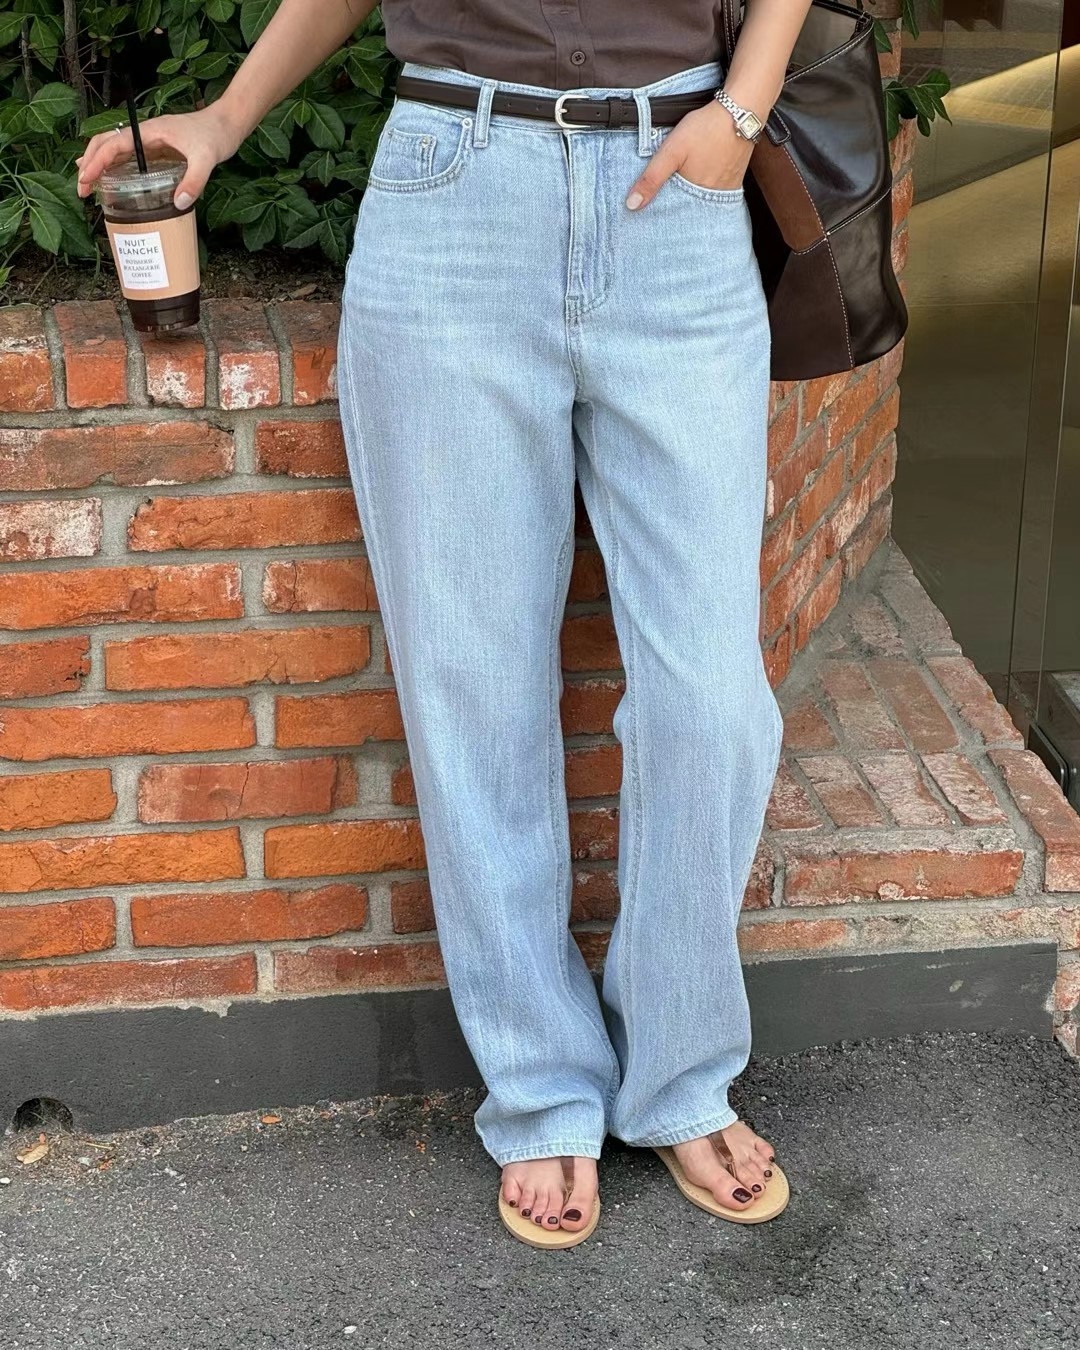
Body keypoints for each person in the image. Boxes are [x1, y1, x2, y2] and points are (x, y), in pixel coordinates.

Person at [77, 0, 816, 1249]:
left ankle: (681, 1073)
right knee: (473, 686)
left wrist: (741, 112)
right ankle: (540, 1084)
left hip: (678, 186)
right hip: (453, 195)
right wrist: (226, 116)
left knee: (714, 701)